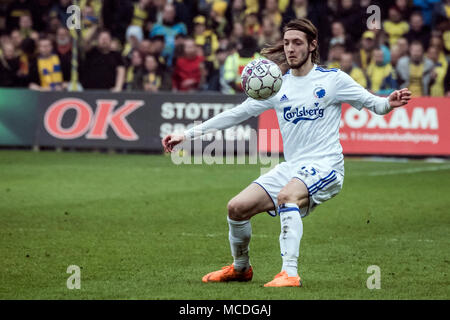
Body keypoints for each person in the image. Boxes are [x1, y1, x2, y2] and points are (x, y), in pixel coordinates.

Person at [162, 18, 411, 287]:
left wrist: (389, 102)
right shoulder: (276, 85)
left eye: (297, 43)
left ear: (312, 45)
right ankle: (241, 268)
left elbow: (375, 104)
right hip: (293, 167)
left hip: (326, 165)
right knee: (236, 208)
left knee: (287, 196)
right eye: (287, 43)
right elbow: (235, 114)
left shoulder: (333, 80)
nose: (290, 49)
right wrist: (185, 135)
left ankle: (289, 273)